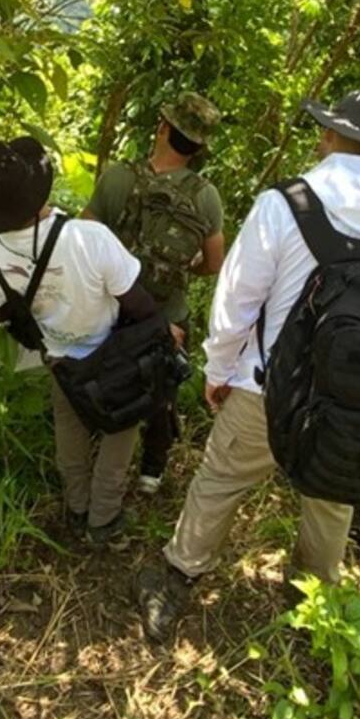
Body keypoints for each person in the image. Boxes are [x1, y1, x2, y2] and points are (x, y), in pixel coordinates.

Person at [134, 89, 360, 643]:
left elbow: (237, 299)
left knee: (221, 478)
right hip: (354, 396)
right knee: (332, 495)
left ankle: (179, 575)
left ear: (330, 136)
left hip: (269, 385)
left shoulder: (287, 203)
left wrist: (219, 370)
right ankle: (313, 599)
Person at [0, 137, 158, 545]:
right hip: (112, 354)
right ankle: (103, 520)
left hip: (58, 358)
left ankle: (77, 507)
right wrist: (162, 330)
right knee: (119, 432)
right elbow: (136, 301)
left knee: (69, 432)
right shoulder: (90, 237)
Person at [84, 92, 225, 496]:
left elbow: (85, 237)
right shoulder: (205, 195)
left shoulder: (117, 177)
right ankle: (151, 472)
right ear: (198, 147)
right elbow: (214, 263)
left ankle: (103, 458)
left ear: (163, 128)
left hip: (114, 308)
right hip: (168, 313)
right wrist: (184, 269)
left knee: (107, 379)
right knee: (160, 390)